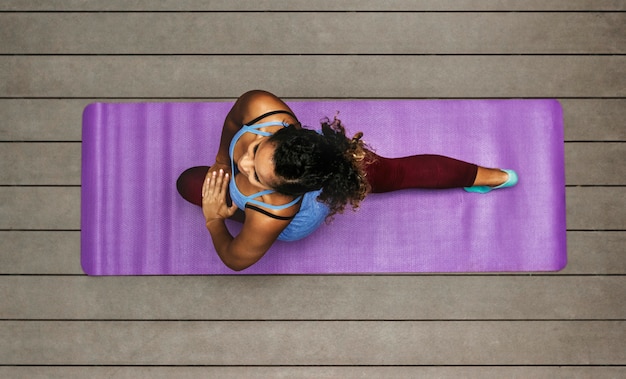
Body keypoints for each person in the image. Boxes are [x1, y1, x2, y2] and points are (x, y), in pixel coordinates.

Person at [177, 90, 518, 271]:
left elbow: (237, 259)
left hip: (298, 217)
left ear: (286, 192)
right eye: (255, 148)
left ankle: (495, 177)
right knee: (188, 182)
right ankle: (498, 177)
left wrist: (214, 220)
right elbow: (235, 120)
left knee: (190, 186)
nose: (244, 161)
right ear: (282, 133)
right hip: (321, 166)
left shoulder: (271, 212)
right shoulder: (261, 106)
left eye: (254, 174)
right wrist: (223, 158)